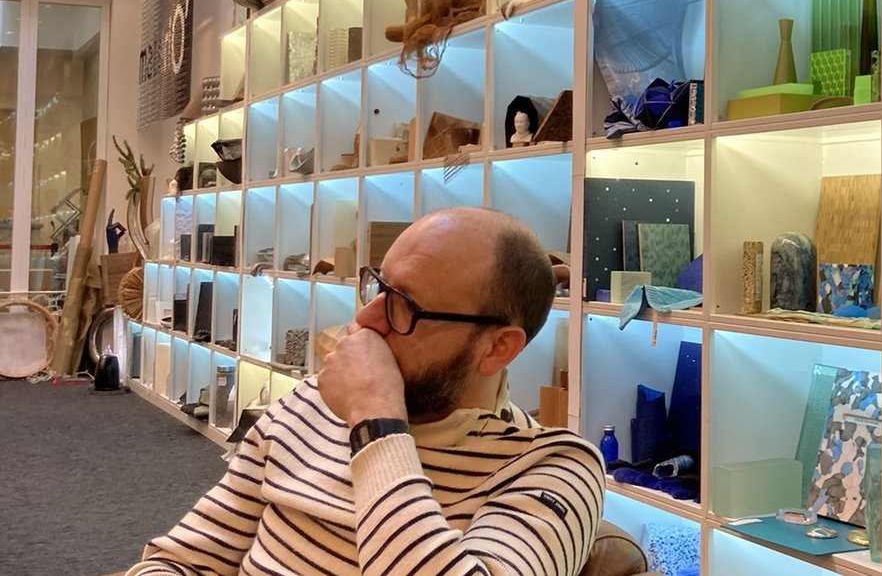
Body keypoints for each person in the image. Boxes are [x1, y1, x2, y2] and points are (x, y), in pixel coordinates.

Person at [128, 208, 605, 575]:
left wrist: (375, 419)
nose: (365, 319)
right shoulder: (308, 404)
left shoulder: (551, 466)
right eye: (378, 287)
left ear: (498, 347)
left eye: (405, 306)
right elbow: (182, 560)